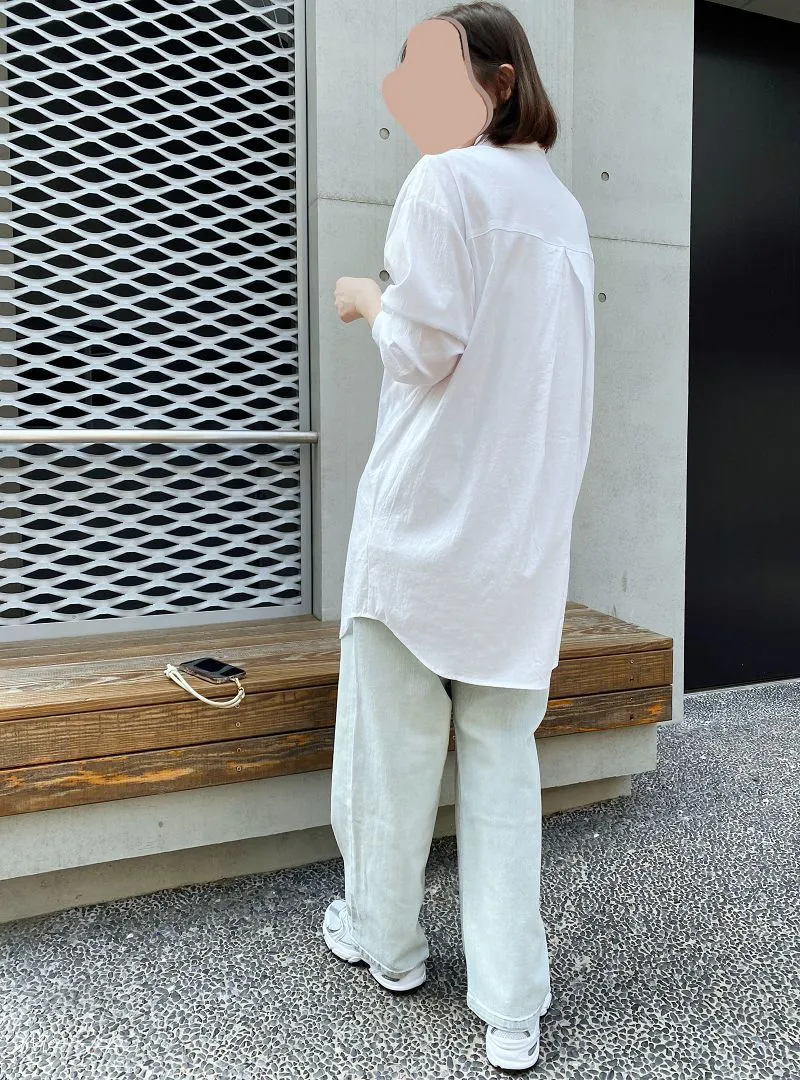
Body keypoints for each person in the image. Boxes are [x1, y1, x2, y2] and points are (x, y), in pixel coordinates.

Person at [323, 2, 595, 1070]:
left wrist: (366, 296)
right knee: (501, 771)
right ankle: (511, 1005)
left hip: (422, 532)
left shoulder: (445, 179)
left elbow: (425, 347)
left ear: (496, 80)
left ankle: (386, 944)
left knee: (388, 764)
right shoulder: (560, 208)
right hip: (515, 545)